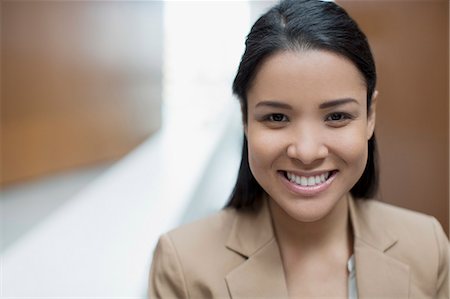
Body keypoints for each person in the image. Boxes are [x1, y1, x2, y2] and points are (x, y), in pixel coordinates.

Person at [149, 0, 449, 298]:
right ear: (245, 118)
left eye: (336, 116)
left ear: (370, 115)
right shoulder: (183, 265)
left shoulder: (427, 248)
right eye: (277, 117)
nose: (306, 153)